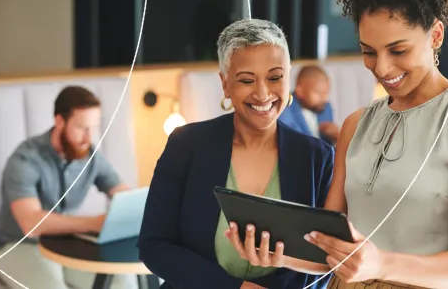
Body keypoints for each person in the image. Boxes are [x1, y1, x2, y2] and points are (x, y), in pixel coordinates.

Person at [225, 0, 448, 288]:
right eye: (369, 52)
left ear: (435, 35)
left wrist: (382, 263)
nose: (382, 68)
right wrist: (279, 254)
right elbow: (329, 248)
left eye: (398, 50)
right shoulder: (355, 125)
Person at [137, 18, 335, 289]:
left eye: (275, 77)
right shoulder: (186, 145)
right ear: (225, 84)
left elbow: (326, 260)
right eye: (246, 80)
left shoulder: (317, 158)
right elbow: (154, 246)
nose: (263, 94)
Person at [0, 86, 135, 289]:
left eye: (93, 128)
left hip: (65, 245)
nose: (88, 138)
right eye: (81, 127)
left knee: (122, 282)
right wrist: (94, 223)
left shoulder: (90, 156)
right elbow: (31, 222)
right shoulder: (25, 159)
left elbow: (122, 193)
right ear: (60, 121)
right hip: (20, 245)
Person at [279, 65, 340, 145]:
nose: (324, 98)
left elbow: (328, 147)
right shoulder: (285, 108)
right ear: (300, 90)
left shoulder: (326, 108)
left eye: (326, 92)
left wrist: (337, 136)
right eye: (318, 93)